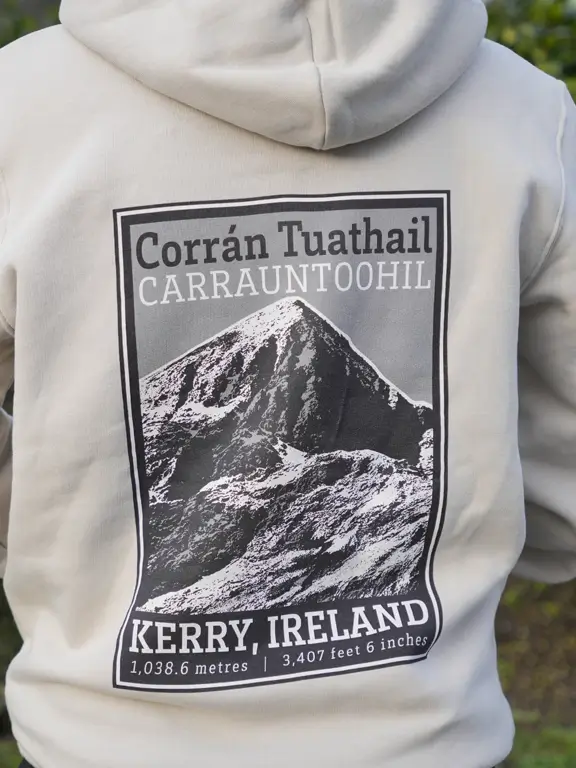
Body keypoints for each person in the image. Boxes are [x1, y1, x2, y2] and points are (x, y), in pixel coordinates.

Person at [0, 1, 574, 766]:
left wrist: (57, 527)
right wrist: (462, 536)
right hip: (431, 740)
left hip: (97, 744)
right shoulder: (526, 113)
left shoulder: (21, 106)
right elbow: (563, 491)